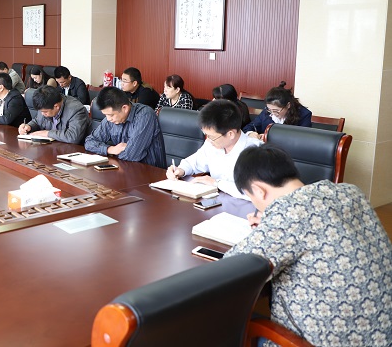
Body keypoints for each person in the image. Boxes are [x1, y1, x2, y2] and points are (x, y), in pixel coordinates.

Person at [225, 145, 392, 347]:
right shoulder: (350, 191)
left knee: (229, 329)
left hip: (328, 341)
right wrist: (271, 226)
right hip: (383, 333)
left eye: (250, 196)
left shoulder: (288, 213)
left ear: (259, 191)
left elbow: (232, 269)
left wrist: (274, 226)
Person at [166, 99, 262, 216]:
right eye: (206, 135)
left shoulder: (256, 152)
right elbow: (194, 162)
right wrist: (181, 170)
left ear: (230, 134)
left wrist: (216, 183)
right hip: (214, 208)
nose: (209, 140)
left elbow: (254, 192)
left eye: (211, 137)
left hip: (246, 213)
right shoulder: (212, 144)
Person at [84, 87, 166, 168]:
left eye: (111, 115)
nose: (108, 119)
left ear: (125, 108)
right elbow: (89, 142)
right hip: (123, 168)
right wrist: (110, 149)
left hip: (149, 172)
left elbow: (131, 155)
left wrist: (112, 152)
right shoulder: (111, 120)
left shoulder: (145, 116)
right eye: (105, 115)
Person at [18, 86, 90, 144]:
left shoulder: (76, 110)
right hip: (50, 147)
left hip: (71, 151)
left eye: (45, 112)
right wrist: (29, 126)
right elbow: (38, 121)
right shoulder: (45, 105)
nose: (42, 114)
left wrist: (47, 133)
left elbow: (73, 137)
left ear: (56, 106)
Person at [243, 82, 312, 140]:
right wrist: (250, 133)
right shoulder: (267, 111)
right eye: (269, 109)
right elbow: (249, 127)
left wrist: (268, 137)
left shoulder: (304, 115)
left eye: (276, 111)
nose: (273, 113)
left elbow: (303, 139)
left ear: (288, 105)